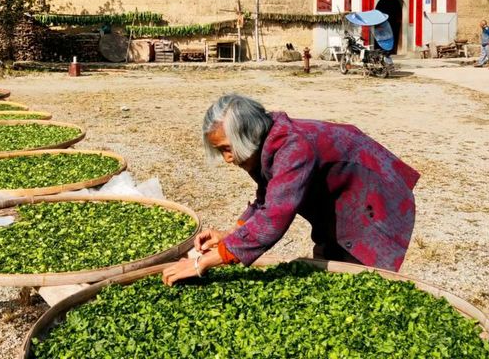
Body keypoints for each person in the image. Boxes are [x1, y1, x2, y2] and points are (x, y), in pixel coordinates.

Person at [162, 94, 420, 286]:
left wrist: (202, 262)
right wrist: (231, 234)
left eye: (227, 149)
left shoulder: (293, 148)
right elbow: (268, 195)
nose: (227, 159)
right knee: (329, 257)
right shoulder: (265, 141)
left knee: (361, 272)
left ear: (248, 136)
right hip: (336, 193)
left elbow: (275, 216)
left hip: (372, 193)